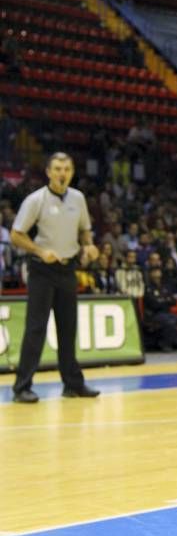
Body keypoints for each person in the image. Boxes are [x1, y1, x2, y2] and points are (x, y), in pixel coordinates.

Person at [10, 152, 100, 403]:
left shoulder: (78, 198)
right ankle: (22, 387)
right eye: (58, 168)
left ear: (72, 172)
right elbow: (16, 234)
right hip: (41, 270)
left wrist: (89, 246)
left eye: (67, 169)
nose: (62, 173)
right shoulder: (35, 199)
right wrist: (40, 251)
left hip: (67, 269)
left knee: (68, 328)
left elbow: (85, 230)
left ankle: (72, 384)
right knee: (36, 328)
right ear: (48, 172)